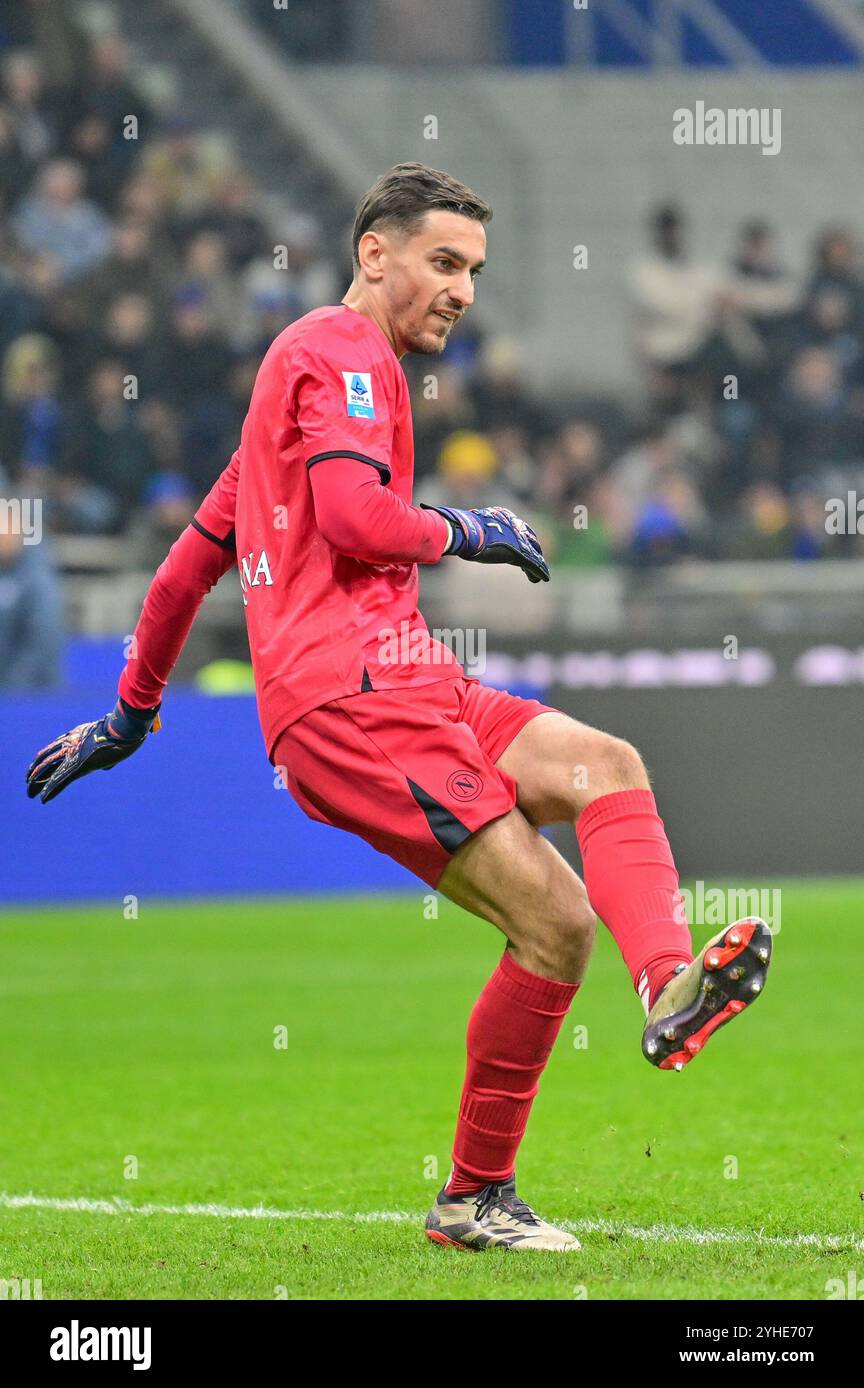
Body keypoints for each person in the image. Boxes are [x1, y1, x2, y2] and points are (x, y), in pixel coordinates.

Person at [25, 163, 772, 1253]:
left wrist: (127, 719)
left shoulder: (293, 394)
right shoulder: (339, 353)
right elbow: (355, 516)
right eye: (443, 261)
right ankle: (472, 1199)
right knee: (554, 925)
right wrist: (471, 528)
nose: (463, 289)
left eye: (473, 269)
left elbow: (188, 569)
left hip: (415, 677)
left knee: (606, 764)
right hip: (351, 701)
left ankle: (670, 986)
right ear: (375, 253)